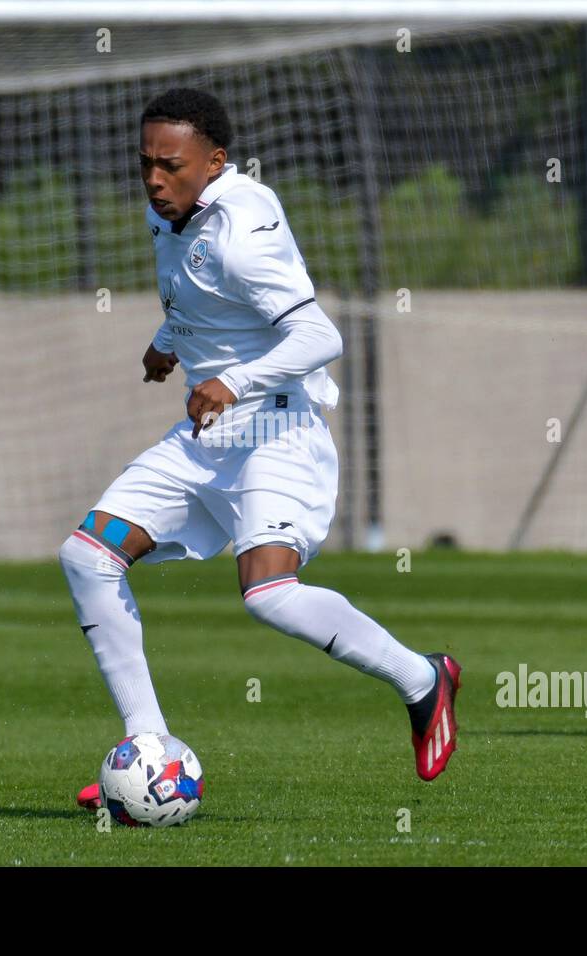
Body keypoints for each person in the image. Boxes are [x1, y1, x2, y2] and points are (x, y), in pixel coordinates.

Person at [59, 88, 461, 811]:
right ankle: (149, 747)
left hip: (278, 428)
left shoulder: (246, 230)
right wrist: (165, 345)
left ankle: (422, 679)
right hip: (211, 434)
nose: (154, 179)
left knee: (269, 595)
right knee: (87, 554)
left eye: (171, 166)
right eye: (145, 163)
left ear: (215, 162)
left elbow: (320, 338)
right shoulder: (171, 209)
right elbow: (197, 297)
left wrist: (231, 381)